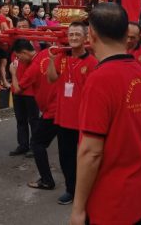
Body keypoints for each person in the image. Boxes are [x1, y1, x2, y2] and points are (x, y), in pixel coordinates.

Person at [70, 3, 141, 225]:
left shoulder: (100, 79)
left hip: (111, 205)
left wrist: (78, 208)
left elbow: (91, 152)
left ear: (91, 34)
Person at [47, 22, 97, 205]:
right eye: (71, 34)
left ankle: (88, 190)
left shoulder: (92, 62)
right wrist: (51, 60)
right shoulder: (62, 58)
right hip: (63, 118)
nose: (74, 38)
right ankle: (71, 189)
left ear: (86, 38)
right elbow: (52, 79)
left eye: (77, 34)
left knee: (86, 157)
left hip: (84, 119)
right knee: (66, 157)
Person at [10, 40, 57, 191]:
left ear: (24, 52)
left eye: (19, 56)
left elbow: (17, 89)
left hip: (52, 110)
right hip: (59, 106)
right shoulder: (47, 53)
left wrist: (13, 73)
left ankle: (47, 180)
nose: (19, 60)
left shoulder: (33, 68)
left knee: (37, 143)